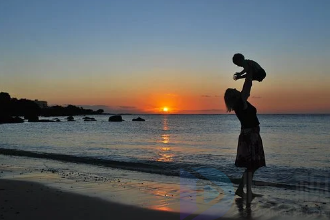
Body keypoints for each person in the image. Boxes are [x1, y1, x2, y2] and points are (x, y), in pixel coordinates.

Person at [224, 78, 266, 205]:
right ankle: (243, 190)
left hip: (250, 135)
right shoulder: (241, 103)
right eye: (235, 90)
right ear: (235, 95)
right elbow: (247, 88)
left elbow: (246, 89)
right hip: (250, 136)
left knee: (252, 166)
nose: (238, 90)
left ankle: (244, 190)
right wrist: (249, 74)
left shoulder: (239, 104)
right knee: (252, 165)